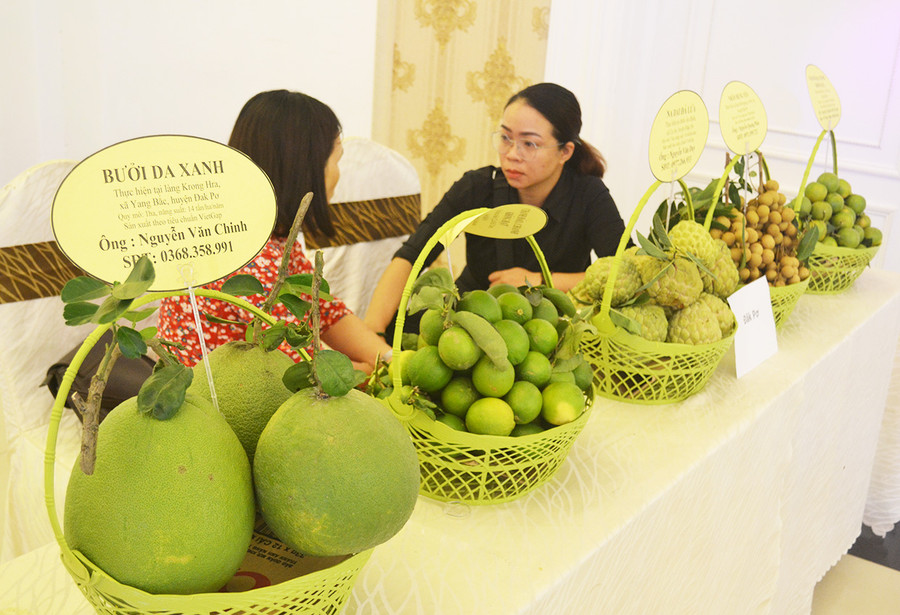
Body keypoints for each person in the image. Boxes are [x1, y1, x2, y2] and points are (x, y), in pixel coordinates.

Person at [364, 82, 627, 336]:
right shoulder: (477, 187)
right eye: (505, 138)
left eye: (530, 144)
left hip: (551, 330)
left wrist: (541, 281)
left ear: (565, 152)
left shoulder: (589, 195)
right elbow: (412, 256)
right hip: (468, 325)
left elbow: (623, 273)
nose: (512, 154)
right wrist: (372, 332)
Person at [157, 89, 392, 372]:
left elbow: (323, 311)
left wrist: (388, 358)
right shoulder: (251, 259)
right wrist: (379, 371)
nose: (338, 173)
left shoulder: (258, 234)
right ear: (307, 168)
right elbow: (306, 376)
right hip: (222, 410)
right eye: (336, 159)